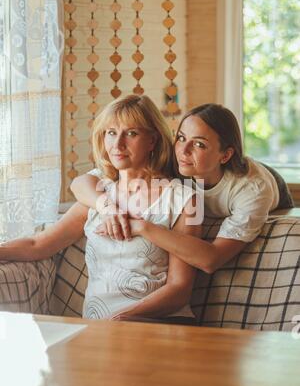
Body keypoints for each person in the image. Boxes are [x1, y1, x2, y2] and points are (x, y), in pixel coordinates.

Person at [0, 95, 201, 323]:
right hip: (100, 330)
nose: (118, 145)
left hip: (158, 323)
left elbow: (179, 288)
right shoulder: (99, 192)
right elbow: (39, 244)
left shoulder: (183, 199)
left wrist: (124, 317)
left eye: (131, 133)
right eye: (111, 133)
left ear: (152, 140)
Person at [71, 103, 294, 274]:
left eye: (199, 144)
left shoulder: (252, 190)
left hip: (277, 193)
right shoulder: (179, 162)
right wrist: (107, 207)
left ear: (225, 155)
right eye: (181, 138)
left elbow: (211, 260)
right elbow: (82, 183)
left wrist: (142, 227)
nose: (184, 150)